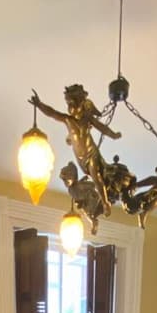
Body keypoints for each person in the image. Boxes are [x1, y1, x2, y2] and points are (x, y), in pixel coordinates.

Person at [31, 85, 121, 218]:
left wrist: (113, 135)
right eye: (68, 105)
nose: (70, 108)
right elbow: (53, 113)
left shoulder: (87, 119)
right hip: (81, 159)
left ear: (82, 104)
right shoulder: (68, 120)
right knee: (93, 177)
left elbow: (102, 127)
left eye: (73, 104)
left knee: (96, 177)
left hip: (92, 154)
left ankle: (105, 202)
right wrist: (39, 104)